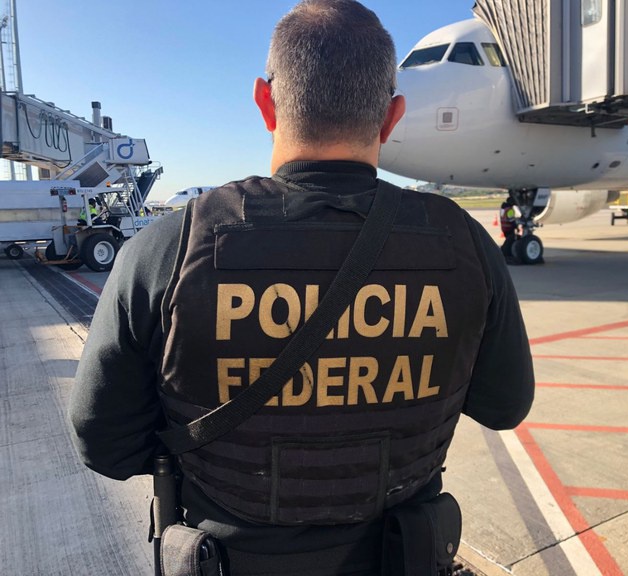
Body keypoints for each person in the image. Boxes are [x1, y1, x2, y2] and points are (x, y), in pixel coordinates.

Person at [68, 1, 535, 574]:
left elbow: (103, 440)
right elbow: (505, 405)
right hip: (400, 553)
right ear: (391, 117)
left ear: (265, 103)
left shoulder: (170, 247)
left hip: (231, 555)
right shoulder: (464, 245)